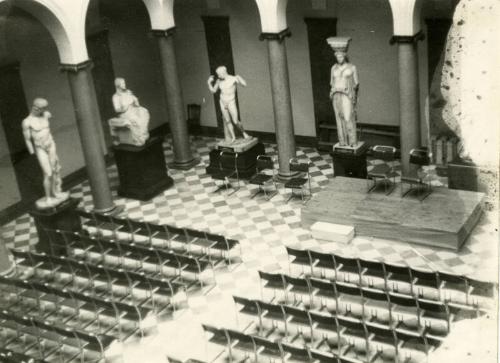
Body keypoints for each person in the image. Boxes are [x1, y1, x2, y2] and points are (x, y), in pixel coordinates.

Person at [22, 98, 68, 208]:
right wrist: (32, 154)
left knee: (55, 170)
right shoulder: (27, 122)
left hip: (51, 145)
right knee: (48, 173)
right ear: (35, 107)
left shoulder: (46, 115)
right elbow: (27, 140)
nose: (43, 110)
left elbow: (47, 130)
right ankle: (48, 197)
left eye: (44, 108)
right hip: (40, 148)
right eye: (41, 108)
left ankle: (56, 192)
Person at [327, 37, 360, 147]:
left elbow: (356, 84)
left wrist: (353, 96)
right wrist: (334, 91)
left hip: (347, 95)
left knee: (347, 117)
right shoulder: (333, 68)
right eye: (337, 56)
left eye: (341, 56)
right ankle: (342, 142)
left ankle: (352, 141)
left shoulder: (352, 67)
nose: (339, 58)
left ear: (345, 55)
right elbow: (332, 82)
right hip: (336, 94)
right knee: (339, 119)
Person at [207, 66, 251, 143]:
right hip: (222, 102)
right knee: (227, 120)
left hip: (231, 101)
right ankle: (233, 137)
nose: (218, 76)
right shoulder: (219, 81)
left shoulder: (233, 79)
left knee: (235, 121)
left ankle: (244, 133)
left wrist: (239, 77)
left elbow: (244, 84)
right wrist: (208, 83)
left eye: (219, 74)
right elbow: (213, 91)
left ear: (223, 73)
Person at [109, 77, 150, 146]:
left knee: (144, 112)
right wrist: (126, 107)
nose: (125, 84)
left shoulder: (128, 92)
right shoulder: (115, 97)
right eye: (123, 83)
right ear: (118, 85)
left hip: (133, 110)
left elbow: (137, 104)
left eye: (124, 83)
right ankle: (138, 139)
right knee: (136, 119)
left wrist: (134, 99)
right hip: (125, 114)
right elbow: (117, 110)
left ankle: (143, 135)